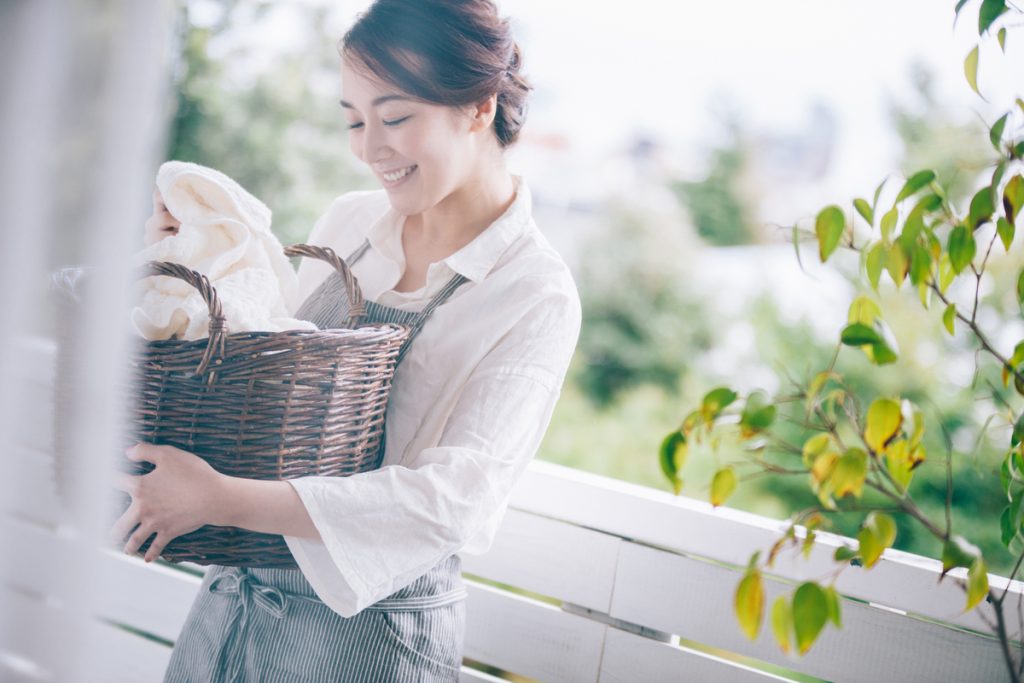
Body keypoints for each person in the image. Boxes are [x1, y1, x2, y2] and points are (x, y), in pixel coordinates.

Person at [114, 0, 581, 680]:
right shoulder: (350, 223)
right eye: (354, 121)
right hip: (239, 600)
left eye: (394, 118)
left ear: (479, 106)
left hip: (373, 640)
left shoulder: (533, 291)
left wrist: (221, 499)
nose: (368, 149)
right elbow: (263, 365)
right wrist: (191, 259)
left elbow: (451, 502)